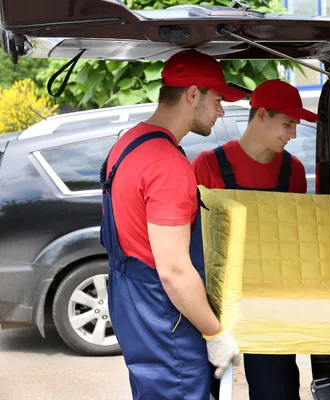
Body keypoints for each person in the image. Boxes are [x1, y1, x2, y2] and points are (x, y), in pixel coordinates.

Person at [99, 50, 247, 400]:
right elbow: (174, 271)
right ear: (192, 94)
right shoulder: (168, 164)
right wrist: (215, 334)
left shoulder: (128, 142)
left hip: (130, 300)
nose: (221, 111)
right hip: (164, 315)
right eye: (218, 100)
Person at [192, 79, 318, 400]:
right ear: (261, 115)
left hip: (269, 301)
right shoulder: (208, 166)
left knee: (276, 390)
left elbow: (293, 239)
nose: (292, 134)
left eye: (295, 126)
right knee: (205, 388)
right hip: (214, 301)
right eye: (288, 124)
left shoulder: (293, 171)